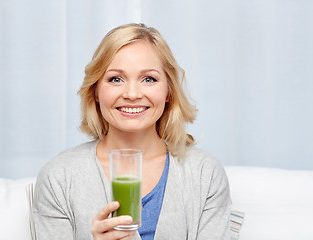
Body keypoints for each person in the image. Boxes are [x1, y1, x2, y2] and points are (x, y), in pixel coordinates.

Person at [33, 23, 232, 240]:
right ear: (96, 91)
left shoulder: (205, 174)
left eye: (149, 79)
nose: (132, 93)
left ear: (168, 91)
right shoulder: (59, 177)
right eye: (115, 79)